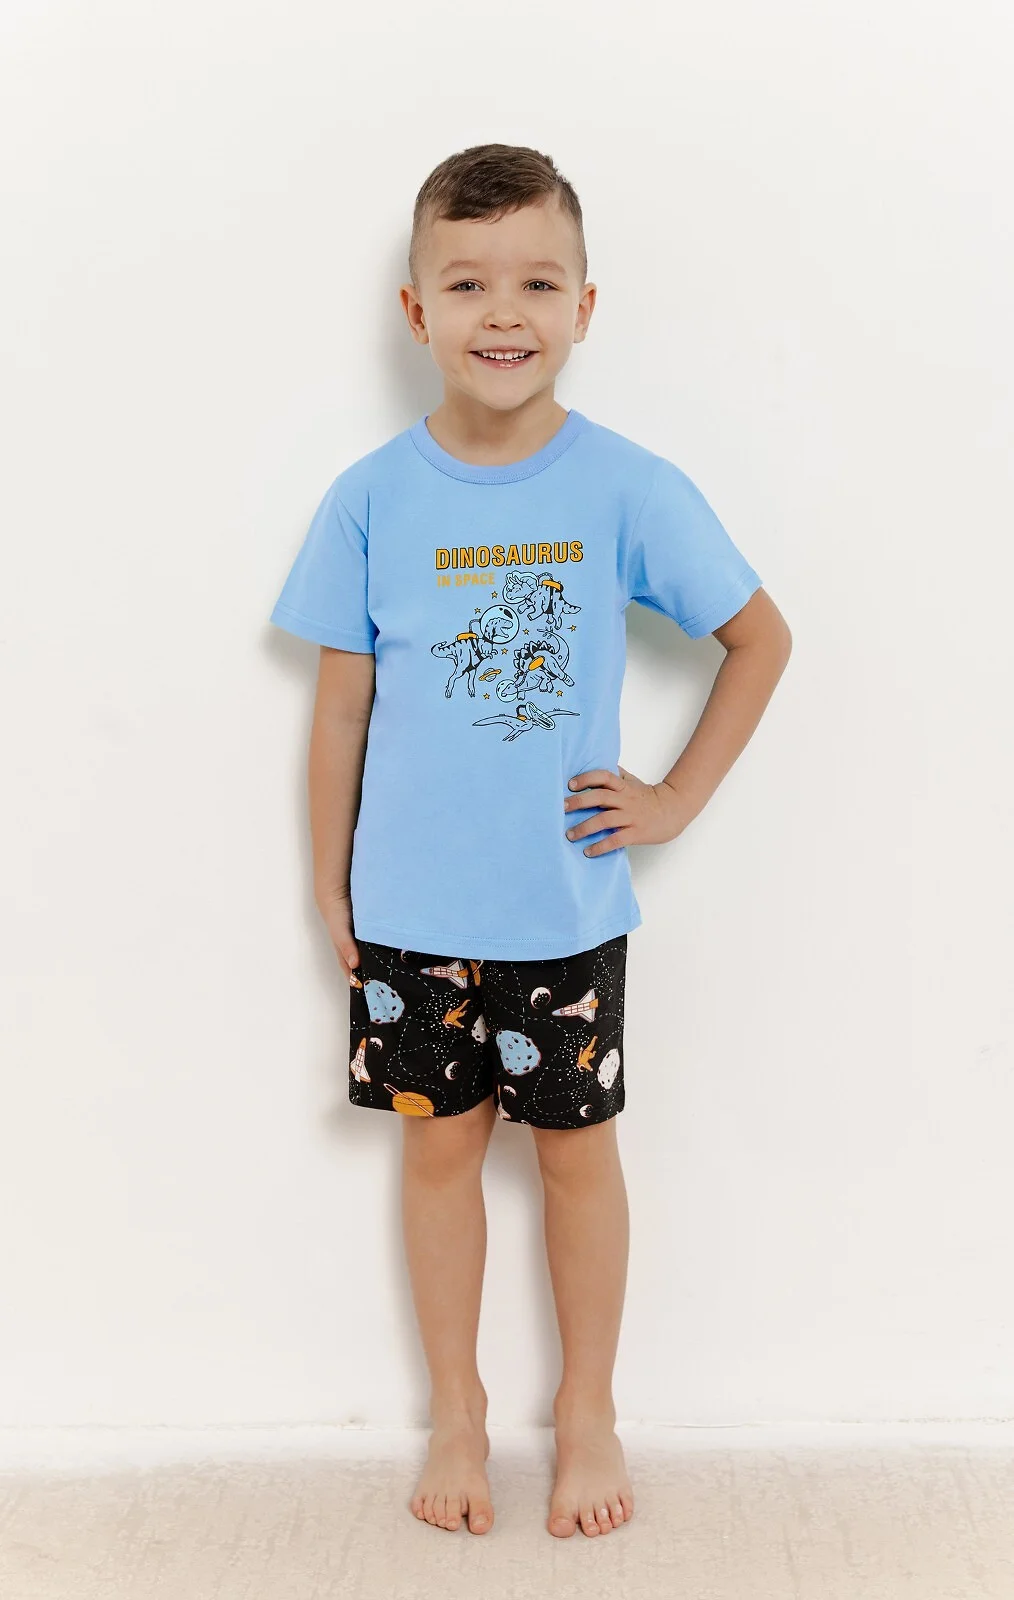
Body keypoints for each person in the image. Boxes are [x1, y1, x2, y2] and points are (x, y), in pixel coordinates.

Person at [268, 142, 792, 1541]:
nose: (503, 311)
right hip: (411, 917)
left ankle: (589, 1409)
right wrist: (327, 881)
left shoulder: (626, 487)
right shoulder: (370, 498)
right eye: (468, 283)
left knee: (576, 1156)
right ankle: (457, 1407)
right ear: (416, 310)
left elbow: (759, 638)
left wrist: (672, 799)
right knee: (439, 1158)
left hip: (564, 912)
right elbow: (338, 713)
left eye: (537, 283)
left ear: (584, 307)